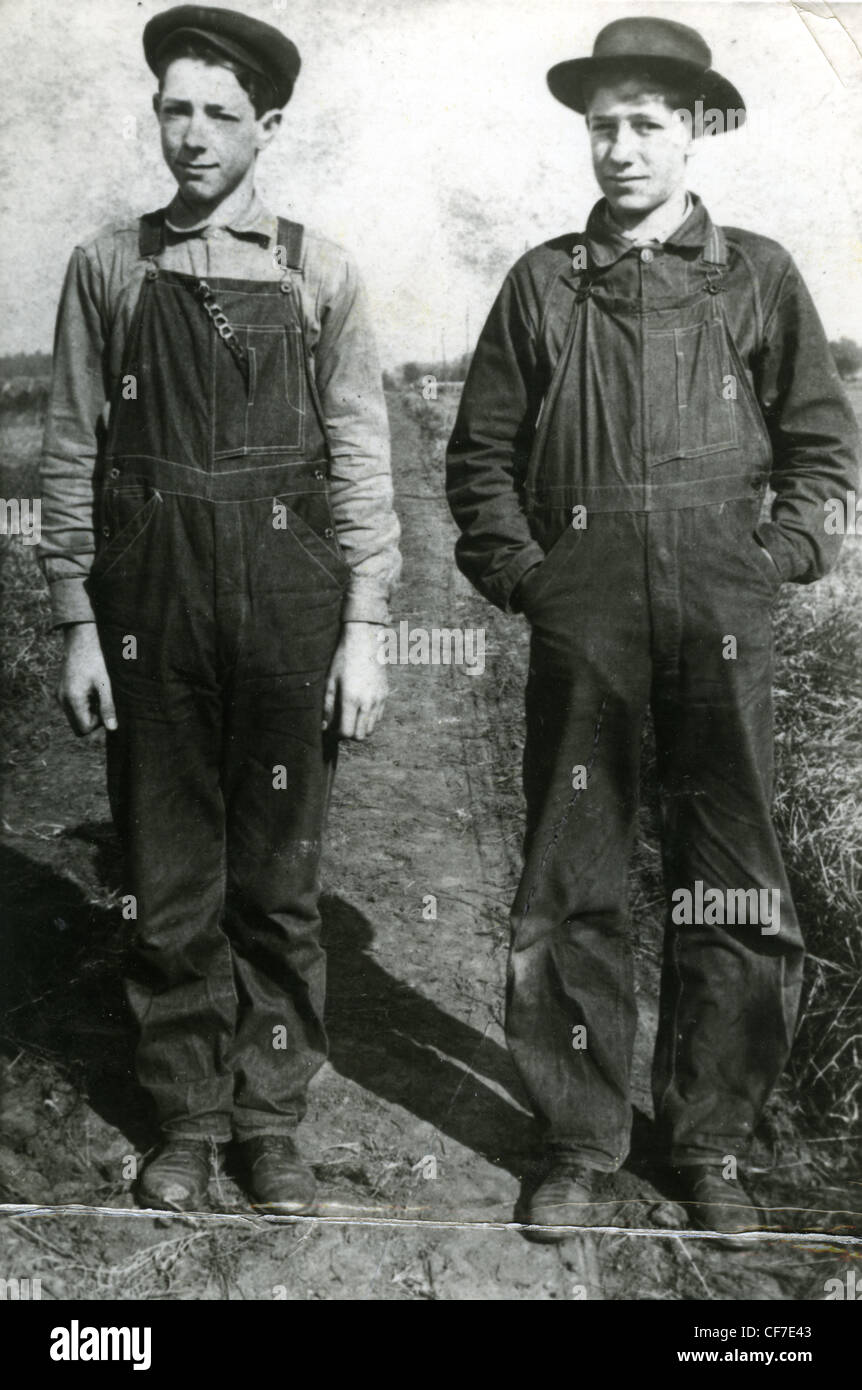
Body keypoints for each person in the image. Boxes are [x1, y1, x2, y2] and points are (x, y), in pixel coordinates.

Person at [446, 16, 858, 1243]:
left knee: (729, 880)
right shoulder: (541, 282)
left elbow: (822, 447)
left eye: (645, 123)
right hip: (589, 625)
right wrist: (531, 578)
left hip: (724, 621)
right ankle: (576, 1139)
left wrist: (777, 557)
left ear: (695, 128)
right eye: (601, 125)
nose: (619, 147)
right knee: (572, 876)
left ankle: (710, 1143)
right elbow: (478, 458)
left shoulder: (759, 275)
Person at [39, 4, 400, 1215]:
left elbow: (361, 462)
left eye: (219, 114)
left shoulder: (318, 270)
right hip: (152, 608)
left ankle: (272, 1120)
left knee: (281, 881)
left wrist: (366, 629)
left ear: (269, 128)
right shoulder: (109, 266)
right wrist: (78, 622)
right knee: (169, 868)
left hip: (290, 614)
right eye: (173, 109)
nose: (191, 136)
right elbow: (68, 452)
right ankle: (188, 1115)